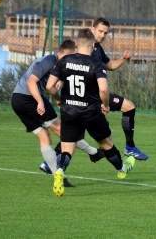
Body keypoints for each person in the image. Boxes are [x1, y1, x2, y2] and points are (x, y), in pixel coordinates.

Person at [46, 28, 135, 197]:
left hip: (69, 112)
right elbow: (103, 89)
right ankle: (121, 169)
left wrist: (59, 98)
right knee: (107, 143)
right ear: (93, 44)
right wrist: (106, 105)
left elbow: (49, 86)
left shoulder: (64, 61)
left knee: (67, 149)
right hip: (91, 113)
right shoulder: (96, 64)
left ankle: (60, 170)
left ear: (77, 44)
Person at [11, 39, 103, 187]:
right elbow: (30, 82)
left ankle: (58, 177)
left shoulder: (58, 64)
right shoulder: (49, 60)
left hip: (17, 100)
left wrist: (59, 86)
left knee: (44, 136)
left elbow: (55, 82)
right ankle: (94, 153)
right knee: (65, 131)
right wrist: (40, 102)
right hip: (28, 98)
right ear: (66, 53)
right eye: (73, 55)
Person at [90, 17, 149, 161]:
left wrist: (122, 59)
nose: (102, 35)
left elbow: (109, 65)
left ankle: (129, 147)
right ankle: (55, 159)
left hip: (100, 94)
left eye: (105, 33)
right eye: (100, 31)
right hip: (89, 96)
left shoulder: (98, 48)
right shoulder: (84, 47)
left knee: (129, 107)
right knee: (76, 131)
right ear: (92, 29)